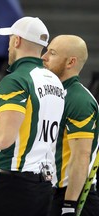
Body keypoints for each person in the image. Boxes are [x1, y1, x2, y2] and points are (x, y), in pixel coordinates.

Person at [0, 16, 65, 216]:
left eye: (10, 40)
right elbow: (22, 117)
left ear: (17, 41)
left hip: (12, 185)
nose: (8, 46)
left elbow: (3, 139)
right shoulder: (54, 81)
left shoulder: (16, 80)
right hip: (43, 186)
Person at [42, 35, 99, 216]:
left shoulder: (78, 100)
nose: (43, 57)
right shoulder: (52, 92)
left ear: (70, 62)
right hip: (48, 189)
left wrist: (69, 203)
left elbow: (81, 156)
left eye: (52, 53)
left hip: (69, 195)